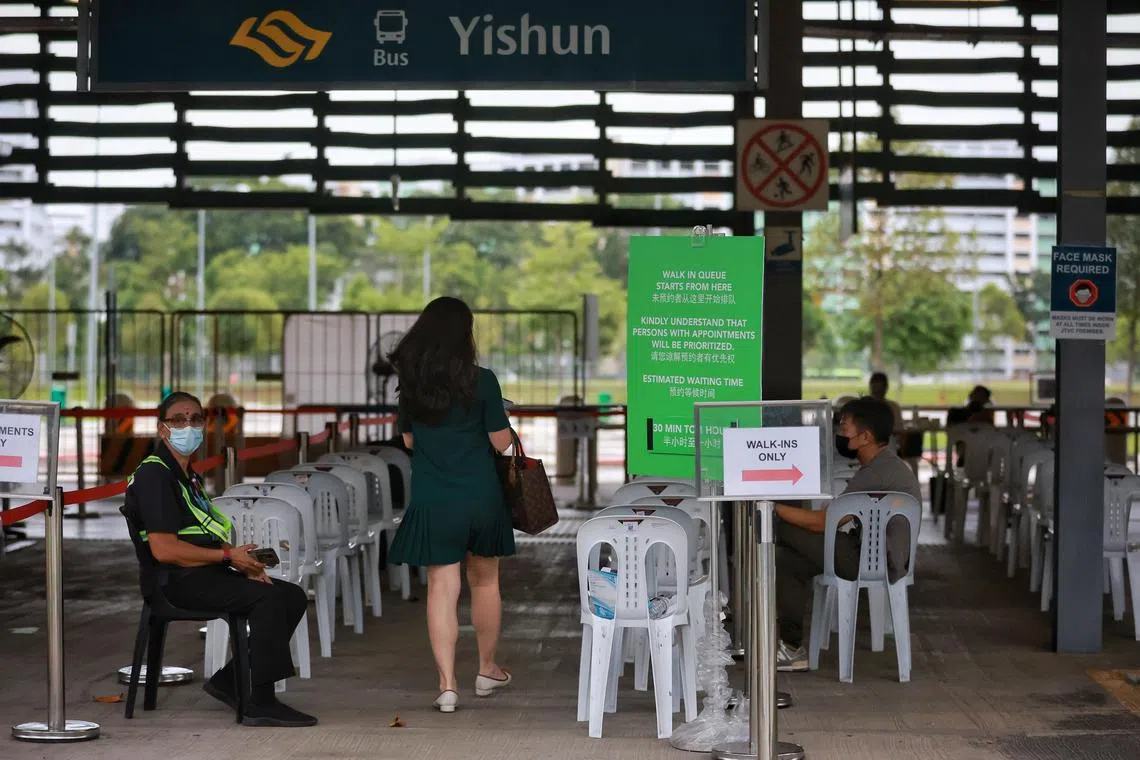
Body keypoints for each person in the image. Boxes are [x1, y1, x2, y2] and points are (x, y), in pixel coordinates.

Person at [122, 392, 316, 727]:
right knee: (268, 599)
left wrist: (245, 563)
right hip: (174, 582)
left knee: (291, 595)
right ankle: (261, 701)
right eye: (179, 420)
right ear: (163, 429)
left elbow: (204, 532)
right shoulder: (156, 475)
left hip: (204, 573)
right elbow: (164, 549)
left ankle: (231, 681)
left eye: (196, 419)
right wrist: (229, 557)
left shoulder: (187, 475)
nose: (189, 426)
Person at [386, 296, 516, 714]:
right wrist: (506, 424)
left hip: (433, 496)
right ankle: (486, 668)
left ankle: (446, 684)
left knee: (442, 586)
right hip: (480, 495)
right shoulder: (483, 380)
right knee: (485, 581)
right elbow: (500, 442)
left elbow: (409, 441)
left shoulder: (413, 386)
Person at [772, 397, 922, 672]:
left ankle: (786, 643)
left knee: (782, 529)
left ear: (865, 436)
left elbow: (823, 523)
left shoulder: (877, 471)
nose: (840, 433)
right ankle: (792, 649)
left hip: (871, 559)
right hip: (869, 554)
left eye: (845, 427)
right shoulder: (886, 465)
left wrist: (773, 508)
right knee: (788, 561)